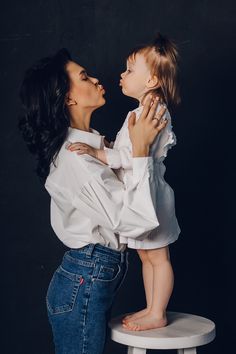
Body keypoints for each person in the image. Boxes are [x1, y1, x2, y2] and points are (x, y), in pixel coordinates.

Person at [18, 48, 168, 354]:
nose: (97, 78)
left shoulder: (94, 145)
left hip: (90, 273)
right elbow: (138, 222)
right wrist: (140, 151)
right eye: (84, 77)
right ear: (68, 99)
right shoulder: (76, 161)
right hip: (84, 278)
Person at [67, 33, 181, 331]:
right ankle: (152, 307)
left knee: (158, 256)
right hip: (140, 189)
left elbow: (129, 157)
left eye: (129, 70)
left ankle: (158, 311)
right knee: (148, 257)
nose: (122, 74)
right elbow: (129, 151)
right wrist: (107, 148)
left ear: (152, 80)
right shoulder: (140, 111)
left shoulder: (149, 112)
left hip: (149, 193)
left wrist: (97, 152)